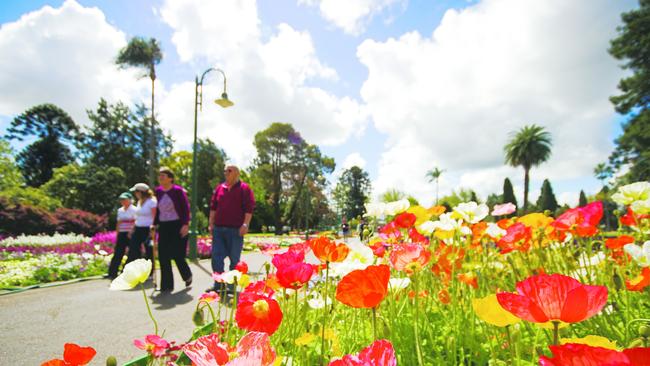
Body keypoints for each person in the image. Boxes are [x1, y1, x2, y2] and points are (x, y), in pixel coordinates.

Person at [208, 165, 255, 293]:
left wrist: (245, 224)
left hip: (235, 230)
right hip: (219, 229)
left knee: (234, 259)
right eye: (225, 171)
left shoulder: (244, 189)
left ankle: (231, 287)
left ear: (237, 173)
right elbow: (213, 207)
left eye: (229, 171)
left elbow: (249, 209)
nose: (226, 173)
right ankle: (218, 285)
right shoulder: (220, 188)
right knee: (216, 257)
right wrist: (210, 223)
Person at [154, 166, 193, 292]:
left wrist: (186, 224)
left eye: (163, 175)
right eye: (159, 175)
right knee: (163, 255)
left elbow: (186, 208)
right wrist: (154, 224)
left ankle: (187, 275)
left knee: (177, 254)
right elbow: (156, 210)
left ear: (170, 178)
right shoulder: (158, 191)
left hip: (177, 225)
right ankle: (166, 286)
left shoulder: (177, 191)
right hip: (164, 226)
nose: (160, 178)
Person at [127, 183, 157, 276]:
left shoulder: (152, 202)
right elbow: (138, 217)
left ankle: (150, 272)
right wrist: (133, 228)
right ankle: (138, 269)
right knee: (134, 248)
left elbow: (154, 216)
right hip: (138, 228)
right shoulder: (139, 202)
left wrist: (153, 228)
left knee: (149, 250)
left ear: (141, 192)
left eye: (136, 191)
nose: (135, 194)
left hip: (148, 229)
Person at [107, 192, 136, 279]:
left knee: (132, 253)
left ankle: (125, 271)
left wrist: (132, 231)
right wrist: (117, 233)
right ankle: (112, 272)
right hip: (122, 233)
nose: (123, 201)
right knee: (118, 252)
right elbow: (118, 223)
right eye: (121, 200)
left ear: (130, 200)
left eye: (125, 199)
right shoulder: (120, 210)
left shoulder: (134, 209)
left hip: (131, 233)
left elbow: (135, 221)